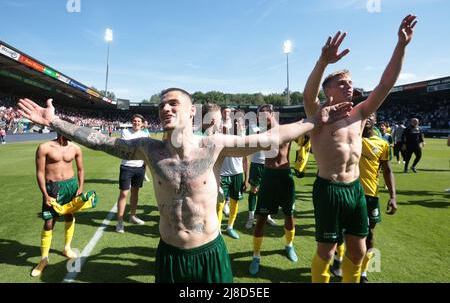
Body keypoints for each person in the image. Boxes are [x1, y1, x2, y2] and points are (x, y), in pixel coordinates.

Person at [18, 88, 351, 283]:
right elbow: (101, 141)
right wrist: (56, 121)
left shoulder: (215, 144)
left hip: (210, 254)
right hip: (170, 256)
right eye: (162, 104)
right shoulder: (149, 148)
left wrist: (313, 120)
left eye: (173, 103)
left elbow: (270, 136)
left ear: (192, 112)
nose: (165, 107)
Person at [302, 14, 416, 283]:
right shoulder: (318, 114)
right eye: (342, 82)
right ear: (328, 90)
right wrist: (323, 63)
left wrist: (401, 46)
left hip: (356, 189)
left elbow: (386, 83)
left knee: (358, 250)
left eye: (350, 83)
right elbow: (307, 94)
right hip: (329, 188)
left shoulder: (360, 113)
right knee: (327, 252)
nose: (349, 86)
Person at [330, 113, 397, 282]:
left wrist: (393, 196)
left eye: (371, 116)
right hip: (347, 191)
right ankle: (337, 261)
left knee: (370, 235)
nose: (368, 118)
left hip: (370, 195)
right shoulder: (349, 138)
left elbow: (388, 171)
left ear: (375, 121)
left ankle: (363, 272)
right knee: (341, 231)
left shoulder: (382, 144)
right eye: (365, 115)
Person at [249, 105, 300, 275]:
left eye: (264, 116)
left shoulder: (287, 131)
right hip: (268, 175)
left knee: (289, 215)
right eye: (259, 117)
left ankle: (289, 246)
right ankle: (256, 256)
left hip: (285, 176)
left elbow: (307, 133)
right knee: (261, 217)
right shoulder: (261, 135)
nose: (261, 119)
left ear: (272, 114)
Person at [31, 132, 84, 277]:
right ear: (61, 131)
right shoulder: (44, 147)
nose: (73, 133)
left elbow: (80, 169)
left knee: (69, 216)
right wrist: (45, 194)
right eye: (69, 131)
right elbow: (40, 173)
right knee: (49, 222)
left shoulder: (75, 148)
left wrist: (80, 187)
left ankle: (67, 248)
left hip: (71, 186)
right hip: (53, 188)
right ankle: (44, 259)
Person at [245, 106, 278, 229]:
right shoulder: (253, 128)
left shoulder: (275, 128)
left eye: (266, 113)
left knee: (268, 192)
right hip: (257, 163)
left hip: (270, 164)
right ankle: (251, 216)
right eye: (261, 114)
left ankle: (267, 216)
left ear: (271, 114)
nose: (263, 116)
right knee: (254, 190)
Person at [218, 109, 249, 239]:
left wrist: (246, 178)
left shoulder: (244, 139)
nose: (238, 124)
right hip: (223, 174)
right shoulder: (224, 133)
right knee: (219, 203)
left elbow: (245, 158)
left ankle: (230, 227)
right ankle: (217, 229)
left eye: (240, 122)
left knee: (234, 202)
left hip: (237, 174)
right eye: (236, 121)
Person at [116, 114, 149, 233]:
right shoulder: (125, 132)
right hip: (126, 167)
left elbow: (145, 152)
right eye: (134, 121)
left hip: (139, 168)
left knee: (135, 193)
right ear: (132, 122)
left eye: (139, 121)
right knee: (124, 194)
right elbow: (128, 147)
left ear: (142, 123)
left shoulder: (145, 134)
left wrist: (145, 168)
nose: (136, 123)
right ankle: (119, 221)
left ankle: (132, 216)